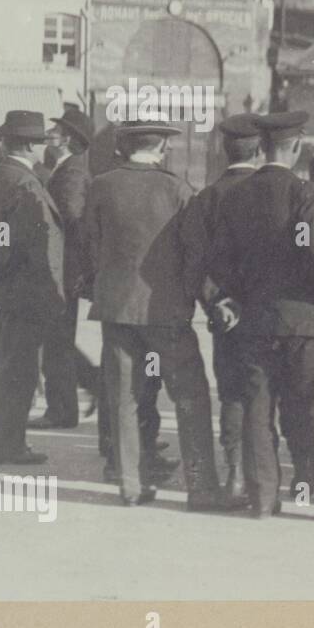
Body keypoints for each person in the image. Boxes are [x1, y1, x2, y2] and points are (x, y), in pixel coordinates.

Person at [208, 112, 314, 523]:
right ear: (297, 146)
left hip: (255, 319)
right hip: (303, 321)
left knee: (257, 408)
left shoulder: (234, 197)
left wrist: (238, 297)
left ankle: (263, 499)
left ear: (263, 147)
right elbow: (313, 252)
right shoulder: (302, 193)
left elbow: (222, 259)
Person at [84, 119, 228, 508]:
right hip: (166, 313)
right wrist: (205, 300)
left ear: (123, 147)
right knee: (190, 397)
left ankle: (130, 483)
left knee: (124, 398)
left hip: (117, 310)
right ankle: (201, 487)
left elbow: (92, 247)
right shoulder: (177, 190)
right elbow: (195, 256)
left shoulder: (101, 186)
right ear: (162, 148)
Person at [180, 114, 262, 502]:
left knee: (231, 392)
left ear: (223, 151)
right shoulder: (273, 191)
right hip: (266, 313)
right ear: (259, 150)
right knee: (266, 393)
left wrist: (219, 303)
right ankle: (266, 477)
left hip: (225, 317)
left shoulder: (205, 198)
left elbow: (195, 262)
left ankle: (235, 477)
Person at [0, 111, 66, 466]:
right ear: (29, 145)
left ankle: (4, 443)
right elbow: (17, 241)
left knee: (5, 369)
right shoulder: (24, 183)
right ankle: (7, 446)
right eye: (42, 142)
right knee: (18, 372)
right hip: (22, 294)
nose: (44, 149)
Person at [32, 106, 100, 430]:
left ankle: (62, 410)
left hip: (61, 271)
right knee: (57, 339)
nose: (50, 133)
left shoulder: (71, 172)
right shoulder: (66, 168)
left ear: (68, 138)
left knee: (56, 341)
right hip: (64, 271)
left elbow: (71, 217)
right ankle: (76, 398)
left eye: (56, 129)